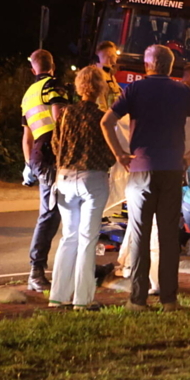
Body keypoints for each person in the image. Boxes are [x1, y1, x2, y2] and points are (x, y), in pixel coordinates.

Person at [101, 44, 190, 312]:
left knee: (140, 236)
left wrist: (120, 154)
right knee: (168, 237)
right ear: (170, 66)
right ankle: (169, 299)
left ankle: (138, 299)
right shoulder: (182, 91)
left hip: (141, 170)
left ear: (147, 64)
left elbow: (106, 122)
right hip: (173, 170)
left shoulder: (135, 90)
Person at [49, 66, 116, 310]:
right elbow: (110, 154)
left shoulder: (65, 114)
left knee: (69, 237)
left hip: (65, 178)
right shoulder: (102, 117)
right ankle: (83, 299)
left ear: (78, 87)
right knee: (88, 239)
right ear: (100, 88)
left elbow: (56, 146)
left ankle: (58, 295)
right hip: (93, 178)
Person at [21, 49, 70, 291]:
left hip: (39, 155)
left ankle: (60, 268)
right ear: (53, 67)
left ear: (33, 69)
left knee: (55, 212)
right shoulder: (53, 86)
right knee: (51, 214)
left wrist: (28, 164)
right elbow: (59, 117)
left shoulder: (28, 94)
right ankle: (36, 270)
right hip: (53, 153)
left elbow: (26, 136)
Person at [94, 41, 122, 110]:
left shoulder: (109, 74)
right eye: (115, 53)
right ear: (109, 53)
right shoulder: (98, 75)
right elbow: (101, 106)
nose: (116, 56)